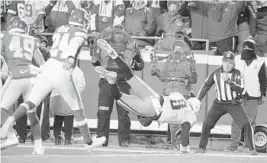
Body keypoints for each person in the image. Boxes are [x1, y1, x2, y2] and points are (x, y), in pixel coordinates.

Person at [0, 9, 106, 154]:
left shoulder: (59, 29)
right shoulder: (80, 32)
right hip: (62, 68)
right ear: (83, 21)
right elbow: (74, 43)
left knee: (31, 102)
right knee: (77, 107)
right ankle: (88, 141)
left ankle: (11, 120)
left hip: (48, 66)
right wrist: (71, 57)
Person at [94, 38, 201, 153]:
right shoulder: (190, 115)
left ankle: (114, 55)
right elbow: (185, 132)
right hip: (153, 110)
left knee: (129, 75)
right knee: (118, 96)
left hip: (155, 97)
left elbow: (170, 95)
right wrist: (185, 149)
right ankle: (111, 80)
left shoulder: (180, 97)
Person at [91, 25, 144, 147]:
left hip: (124, 81)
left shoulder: (132, 45)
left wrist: (135, 64)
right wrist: (94, 61)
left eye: (121, 34)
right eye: (117, 35)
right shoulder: (103, 45)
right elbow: (97, 63)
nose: (119, 37)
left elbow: (140, 64)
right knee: (103, 111)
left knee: (123, 113)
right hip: (106, 80)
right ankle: (101, 139)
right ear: (113, 35)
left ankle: (124, 140)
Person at [195, 51, 257, 155]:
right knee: (206, 124)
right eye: (225, 62)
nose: (227, 65)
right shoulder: (216, 73)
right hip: (218, 103)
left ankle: (252, 149)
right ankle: (201, 147)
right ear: (222, 62)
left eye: (230, 63)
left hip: (234, 103)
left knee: (246, 124)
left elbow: (242, 90)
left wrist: (229, 82)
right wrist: (197, 100)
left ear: (233, 64)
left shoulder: (237, 74)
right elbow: (206, 86)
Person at [0, 16, 45, 151]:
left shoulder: (5, 36)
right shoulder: (31, 39)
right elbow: (42, 63)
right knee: (32, 114)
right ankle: (38, 147)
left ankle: (11, 136)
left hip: (16, 78)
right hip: (32, 77)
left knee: (1, 109)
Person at [150, 32, 198, 149]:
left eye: (179, 49)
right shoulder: (168, 62)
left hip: (182, 93)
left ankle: (179, 143)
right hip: (169, 93)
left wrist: (191, 72)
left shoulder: (189, 62)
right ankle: (174, 144)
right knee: (173, 120)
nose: (177, 51)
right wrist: (156, 72)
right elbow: (163, 78)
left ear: (183, 51)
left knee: (179, 120)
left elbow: (193, 80)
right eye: (175, 49)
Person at [225, 37, 267, 151]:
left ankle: (249, 145)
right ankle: (234, 145)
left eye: (249, 48)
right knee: (236, 121)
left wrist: (263, 94)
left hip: (253, 95)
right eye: (245, 47)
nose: (247, 49)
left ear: (253, 49)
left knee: (250, 121)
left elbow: (263, 80)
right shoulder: (237, 60)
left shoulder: (260, 62)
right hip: (238, 95)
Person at [50, 66, 86, 145]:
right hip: (70, 96)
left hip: (57, 95)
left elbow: (52, 82)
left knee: (58, 116)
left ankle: (57, 137)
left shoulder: (58, 68)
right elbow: (82, 86)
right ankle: (67, 139)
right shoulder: (77, 71)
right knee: (69, 117)